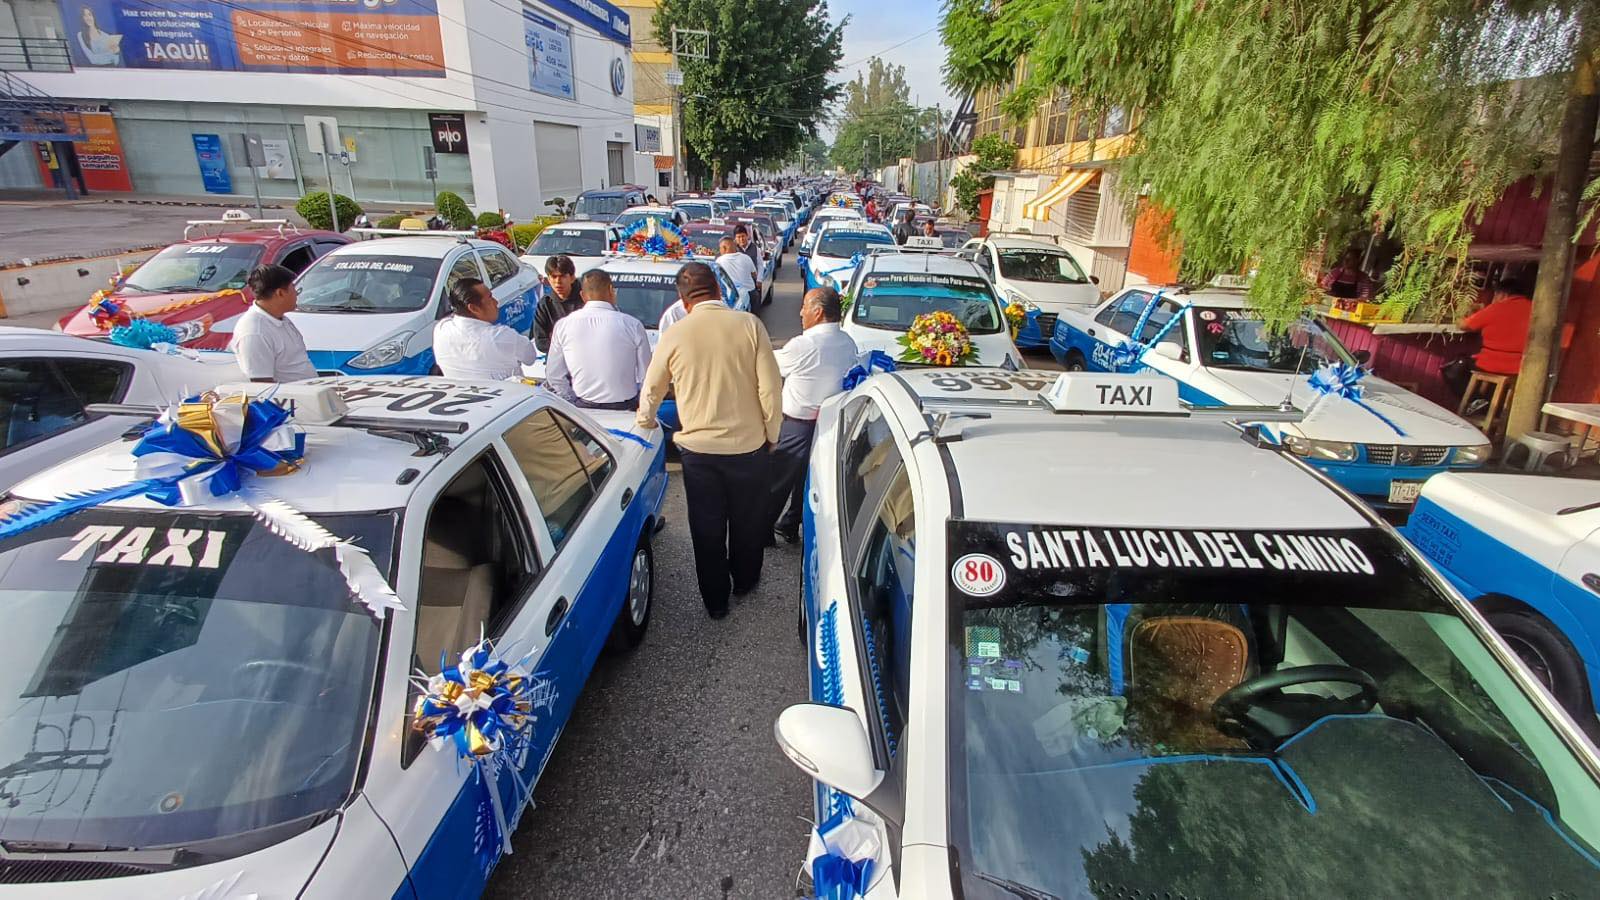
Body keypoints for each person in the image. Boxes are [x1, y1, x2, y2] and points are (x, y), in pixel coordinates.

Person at [637, 262, 782, 619]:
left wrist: (645, 422)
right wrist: (772, 434)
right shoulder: (750, 325)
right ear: (719, 290)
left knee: (707, 526)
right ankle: (745, 580)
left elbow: (652, 389)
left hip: (699, 452)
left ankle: (716, 601)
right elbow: (770, 388)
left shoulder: (675, 333)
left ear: (684, 301)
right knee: (748, 520)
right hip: (749, 446)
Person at [767, 286, 860, 543]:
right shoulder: (847, 342)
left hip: (797, 425)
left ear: (818, 312)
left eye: (805, 307)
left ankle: (762, 528)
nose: (800, 312)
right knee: (807, 476)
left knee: (778, 479)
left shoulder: (805, 344)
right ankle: (791, 522)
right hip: (830, 423)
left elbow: (769, 362)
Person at [545, 269, 652, 410]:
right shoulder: (632, 325)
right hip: (626, 407)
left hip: (583, 407)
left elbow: (554, 375)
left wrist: (571, 400)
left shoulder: (563, 325)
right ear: (611, 290)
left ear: (583, 295)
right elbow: (647, 376)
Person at [1446, 266, 1536, 397]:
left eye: (1496, 294)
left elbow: (1464, 325)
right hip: (1520, 368)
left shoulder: (1497, 308)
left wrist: (1463, 315)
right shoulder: (1534, 309)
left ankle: (1476, 403)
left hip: (1490, 365)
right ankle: (1488, 405)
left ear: (1503, 294)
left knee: (1454, 368)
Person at [432, 278, 536, 380]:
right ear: (473, 308)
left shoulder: (441, 329)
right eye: (490, 298)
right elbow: (530, 357)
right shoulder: (501, 336)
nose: (496, 302)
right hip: (509, 395)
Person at [230, 264, 318, 383]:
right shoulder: (254, 332)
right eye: (294, 289)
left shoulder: (281, 319)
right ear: (280, 293)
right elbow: (261, 385)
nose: (297, 294)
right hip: (291, 398)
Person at [532, 255, 583, 352]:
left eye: (563, 276)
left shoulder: (585, 299)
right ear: (549, 279)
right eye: (554, 277)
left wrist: (556, 340)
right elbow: (541, 342)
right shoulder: (545, 304)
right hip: (556, 359)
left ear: (572, 278)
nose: (558, 282)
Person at [715, 236, 759, 308]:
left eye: (720, 248)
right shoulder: (746, 258)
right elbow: (754, 274)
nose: (720, 250)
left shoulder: (719, 261)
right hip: (750, 293)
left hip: (733, 298)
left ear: (724, 248)